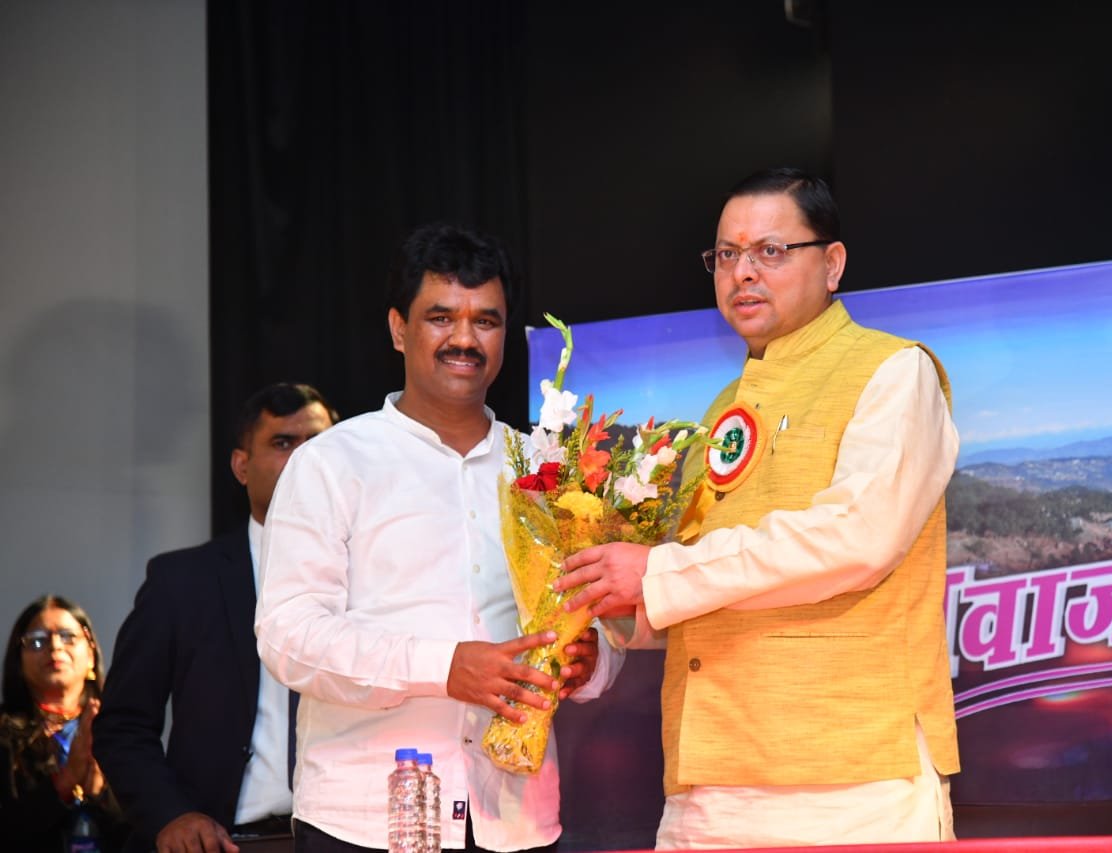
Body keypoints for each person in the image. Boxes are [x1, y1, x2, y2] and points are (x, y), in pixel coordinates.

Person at [557, 167, 961, 847]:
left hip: (850, 781)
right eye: (726, 254)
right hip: (709, 781)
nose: (743, 272)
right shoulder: (721, 410)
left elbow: (857, 537)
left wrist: (657, 573)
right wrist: (609, 615)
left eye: (771, 251)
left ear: (832, 263)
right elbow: (706, 587)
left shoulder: (893, 370)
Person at [254, 222, 622, 853]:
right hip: (367, 819)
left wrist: (591, 662)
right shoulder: (333, 462)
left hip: (516, 816)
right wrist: (443, 667)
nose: (465, 339)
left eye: (486, 321)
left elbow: (604, 621)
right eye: (441, 317)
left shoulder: (547, 468)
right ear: (399, 328)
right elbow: (289, 636)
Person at [94, 382, 338, 853]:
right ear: (241, 466)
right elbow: (122, 725)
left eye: (318, 443)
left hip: (344, 839)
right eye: (283, 443)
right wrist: (170, 815)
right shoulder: (182, 581)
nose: (305, 459)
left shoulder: (372, 579)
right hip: (223, 839)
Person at [1, 594, 129, 852]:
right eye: (37, 641)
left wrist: (100, 794)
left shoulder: (120, 729)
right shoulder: (4, 735)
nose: (55, 646)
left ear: (91, 654)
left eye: (68, 636)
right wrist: (65, 781)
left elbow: (146, 833)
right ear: (19, 661)